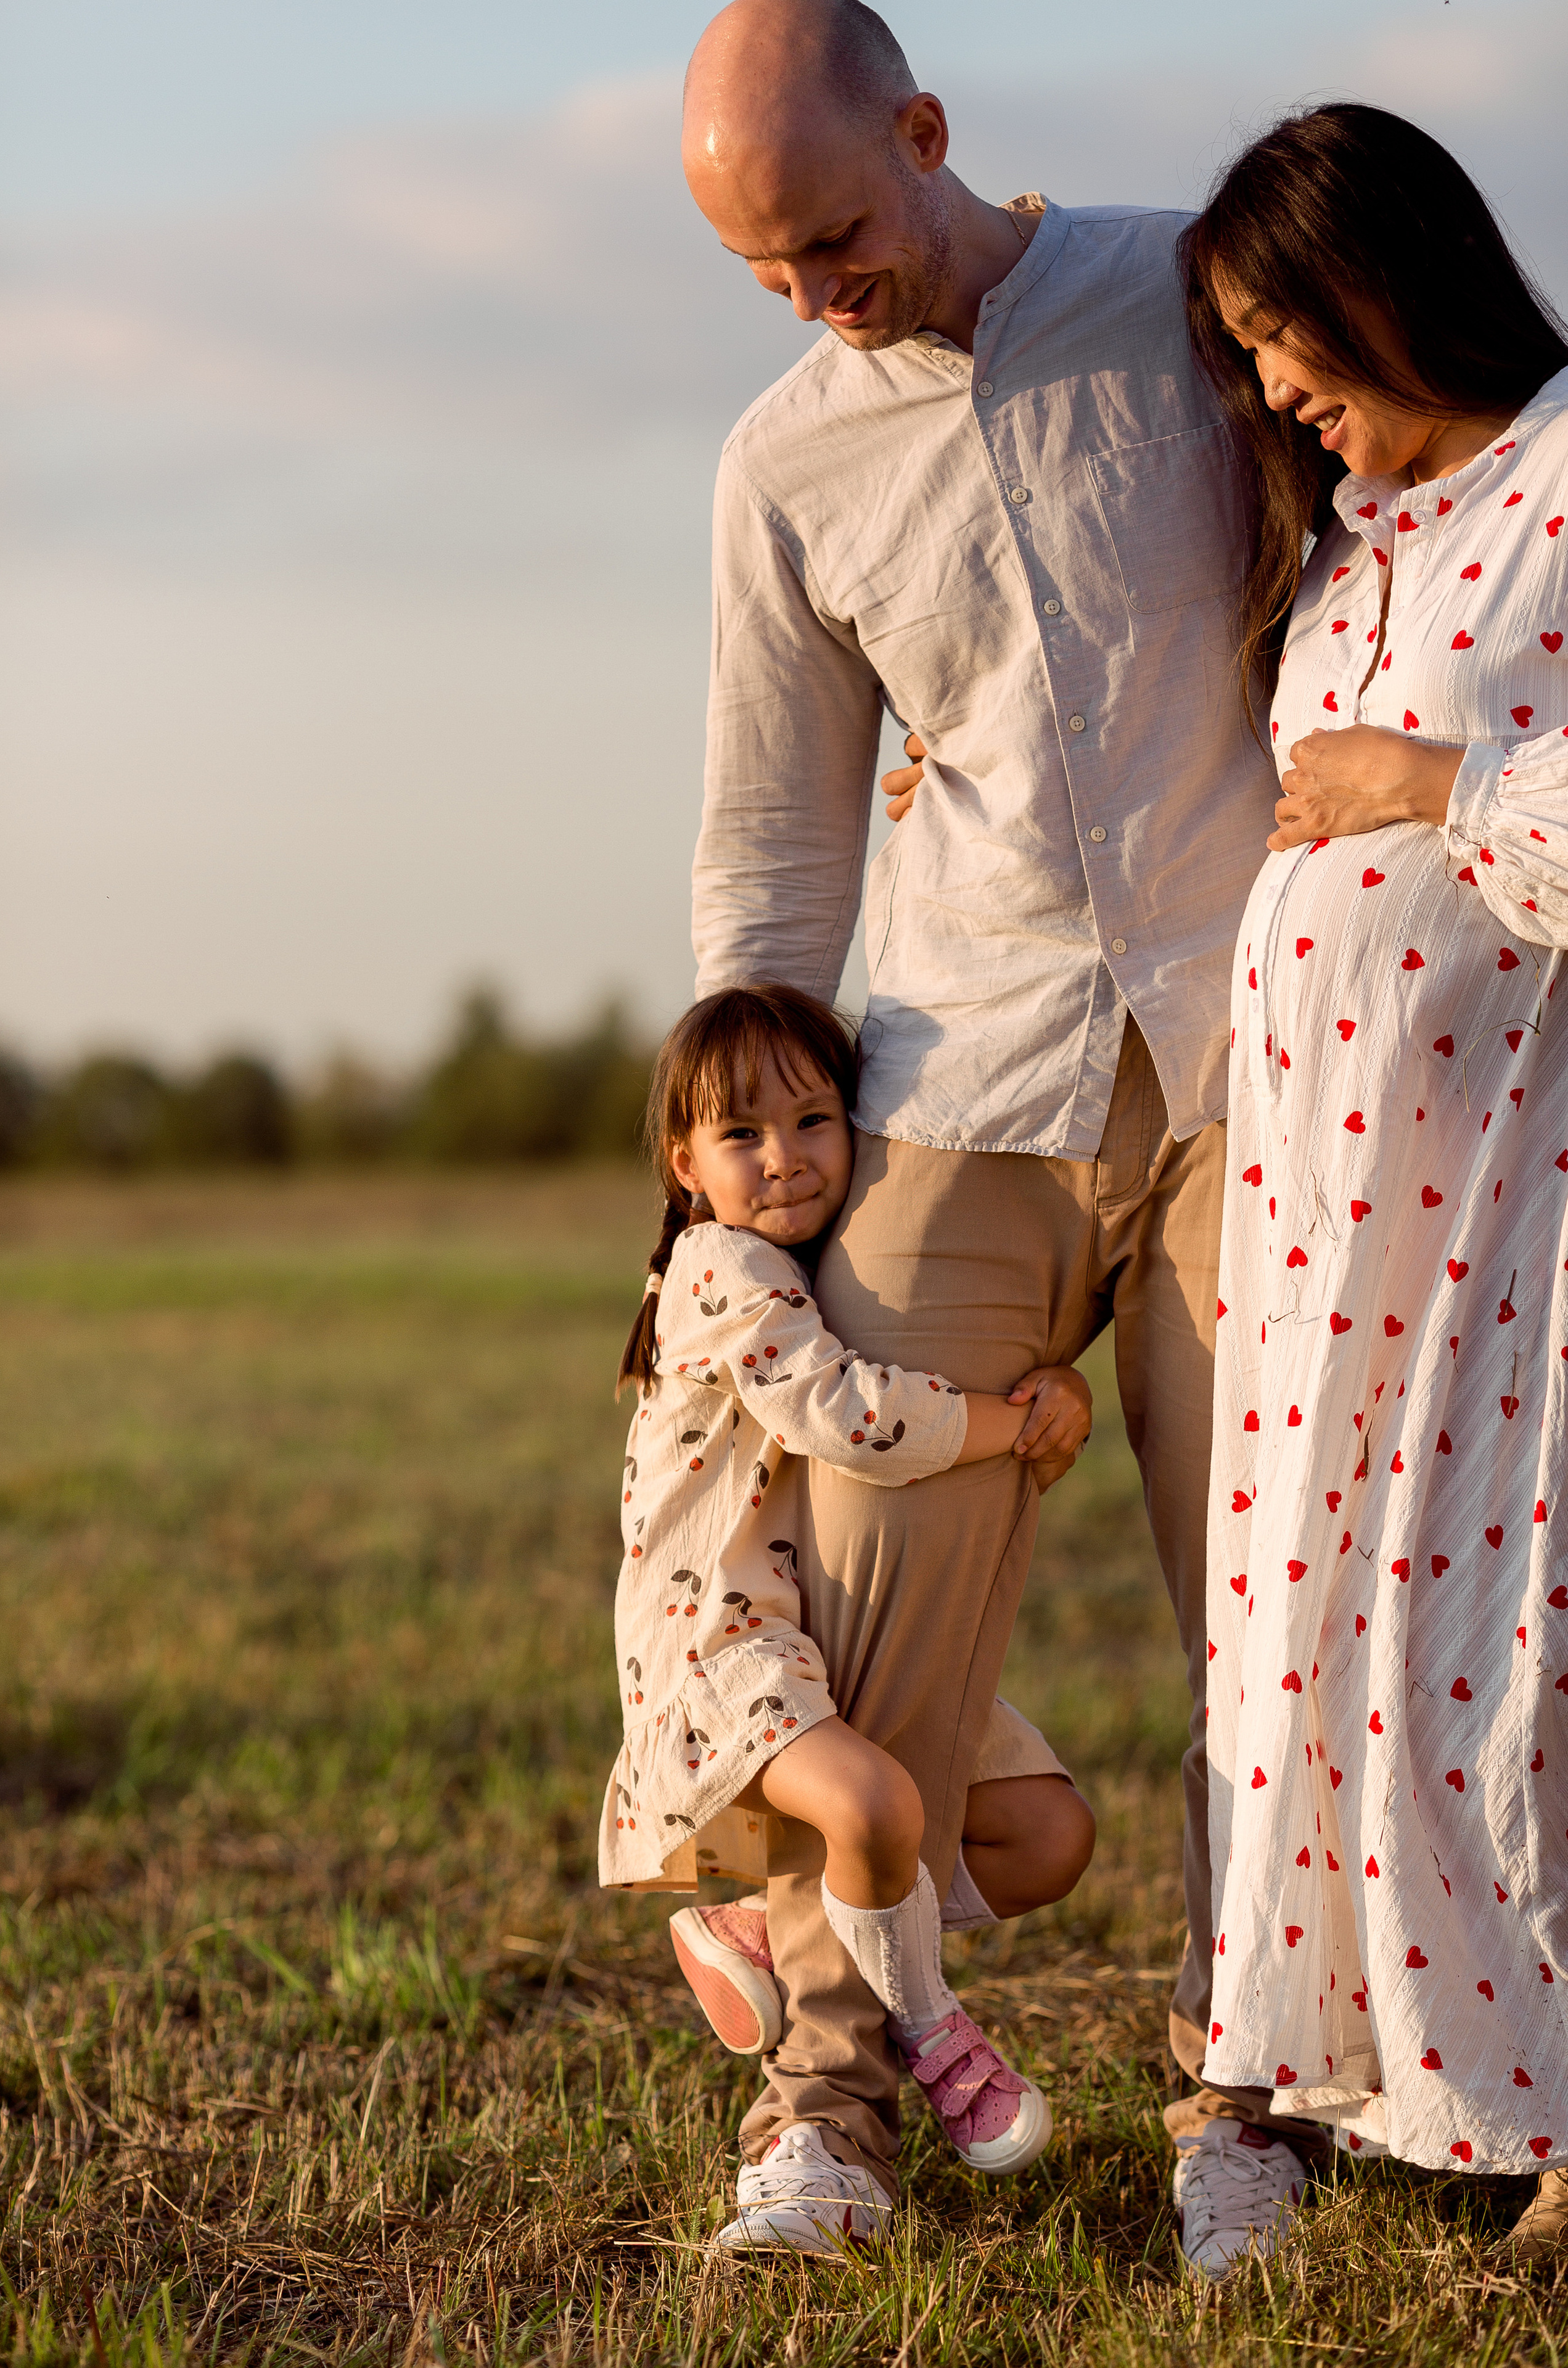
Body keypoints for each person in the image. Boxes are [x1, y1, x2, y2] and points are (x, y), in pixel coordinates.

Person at [681, 0, 1291, 2262]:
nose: (811, 297)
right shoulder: (784, 463)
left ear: (927, 131)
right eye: (762, 272)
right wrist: (725, 1207)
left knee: (1274, 1607)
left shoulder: (1192, 294)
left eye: (833, 240)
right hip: (960, 1068)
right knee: (866, 1605)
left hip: (1258, 1051)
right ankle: (829, 2114)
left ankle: (1250, 2097)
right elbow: (774, 845)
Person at [1180, 102, 1568, 2277]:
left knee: (1504, 1652)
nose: (1271, 386)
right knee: (1338, 1654)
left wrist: (1432, 783)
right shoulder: (1345, 552)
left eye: (1282, 332)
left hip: (1516, 1197)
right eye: (1240, 351)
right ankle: (1393, 2085)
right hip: (1334, 1218)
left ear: (1385, 273)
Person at [600, 982, 1094, 2248]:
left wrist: (1055, 1393)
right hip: (724, 1639)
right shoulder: (720, 1266)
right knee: (874, 1807)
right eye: (742, 1136)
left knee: (1046, 1834)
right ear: (685, 1165)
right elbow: (846, 1416)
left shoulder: (822, 1262)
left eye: (813, 1121)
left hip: (813, 1625)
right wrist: (1009, 1422)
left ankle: (769, 1926)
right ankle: (928, 2028)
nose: (783, 1158)